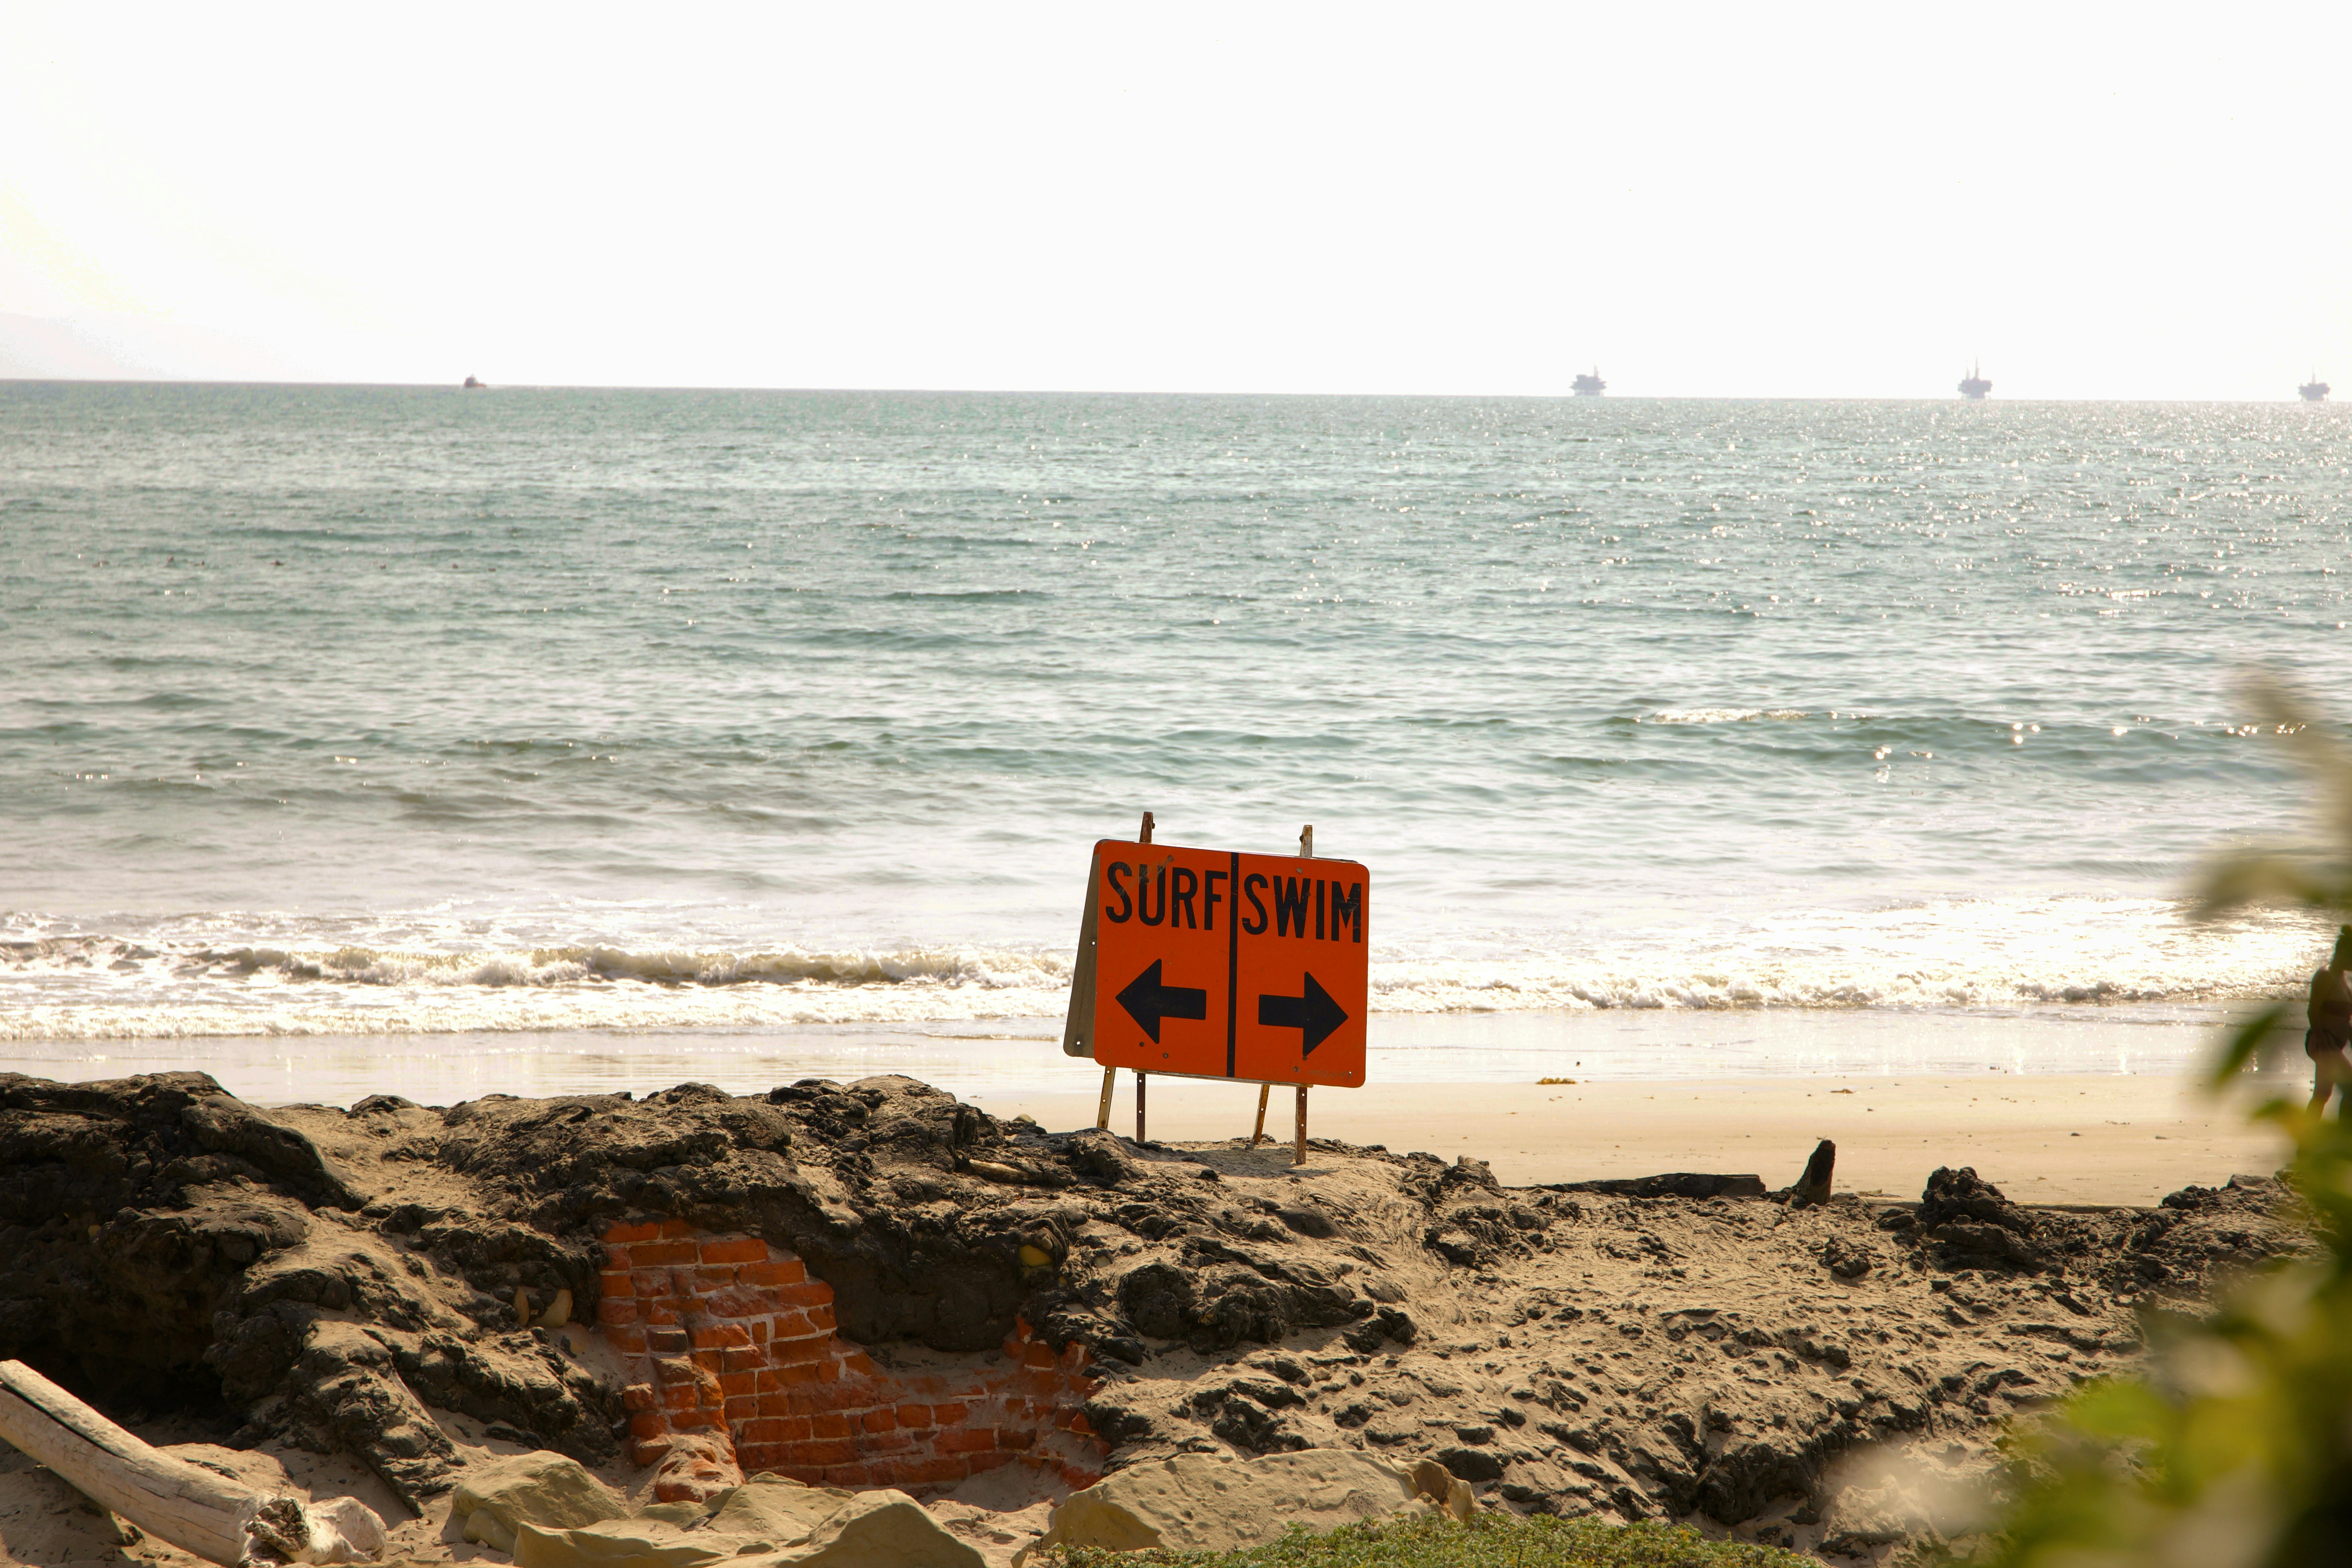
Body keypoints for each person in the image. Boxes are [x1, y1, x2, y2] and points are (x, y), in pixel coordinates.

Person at [2307, 926, 2352, 1116]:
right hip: (2323, 1042)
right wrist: (2325, 1045)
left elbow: (2342, 1018)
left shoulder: (2341, 977)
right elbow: (2313, 1012)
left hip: (2334, 1044)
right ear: (2343, 953)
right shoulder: (2325, 976)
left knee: (2322, 1095)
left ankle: (2306, 1141)